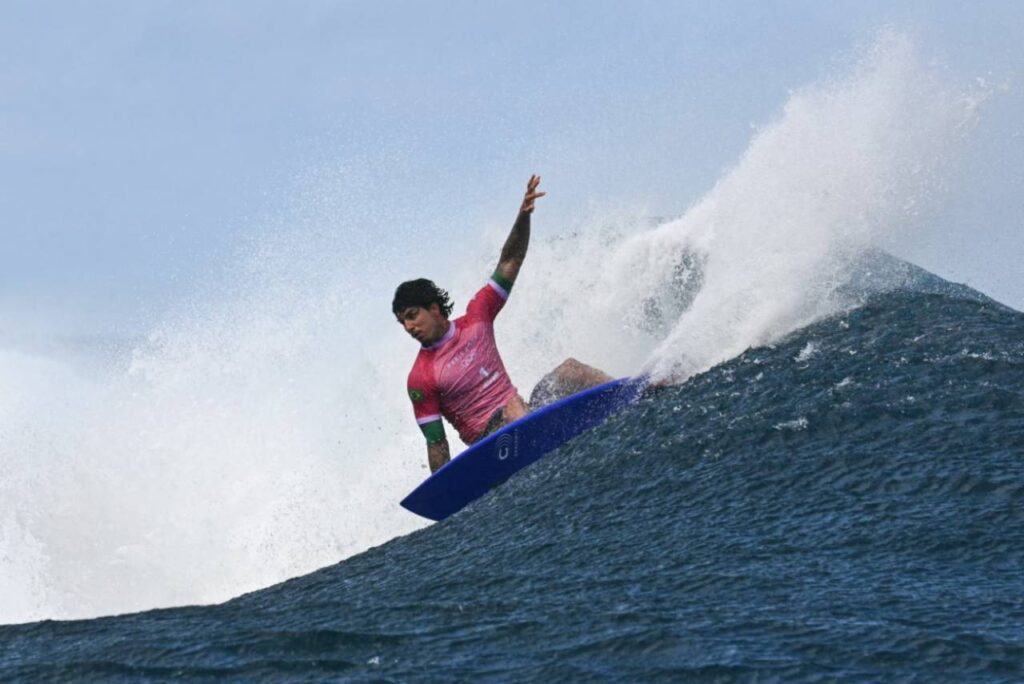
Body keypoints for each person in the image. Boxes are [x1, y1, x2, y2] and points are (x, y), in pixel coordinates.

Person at [393, 175, 612, 473]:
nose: (408, 327)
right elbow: (437, 444)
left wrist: (523, 216)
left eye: (412, 315)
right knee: (512, 408)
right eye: (402, 321)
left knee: (569, 370)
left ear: (434, 309)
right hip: (490, 444)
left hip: (524, 414)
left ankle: (636, 394)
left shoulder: (478, 317)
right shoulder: (420, 377)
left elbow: (510, 260)